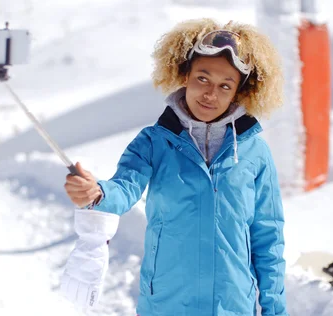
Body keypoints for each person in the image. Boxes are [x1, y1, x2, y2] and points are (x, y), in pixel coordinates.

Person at [63, 18, 287, 316]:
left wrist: (275, 309)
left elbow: (268, 237)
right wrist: (97, 192)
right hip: (167, 303)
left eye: (225, 86)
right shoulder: (154, 142)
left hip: (232, 306)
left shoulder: (254, 152)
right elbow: (125, 186)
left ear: (239, 92)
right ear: (184, 75)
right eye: (202, 79)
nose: (211, 94)